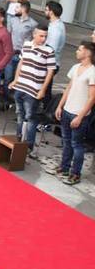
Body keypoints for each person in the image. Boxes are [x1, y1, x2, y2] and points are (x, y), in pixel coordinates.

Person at [51, 41, 95, 186]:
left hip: (79, 114)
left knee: (77, 145)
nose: (77, 51)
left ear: (88, 53)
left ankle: (75, 173)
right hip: (67, 110)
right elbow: (68, 89)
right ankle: (64, 167)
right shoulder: (75, 67)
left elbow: (92, 98)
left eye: (80, 49)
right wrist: (60, 106)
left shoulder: (92, 72)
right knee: (67, 141)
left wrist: (80, 116)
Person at [8, 24, 55, 154]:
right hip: (21, 86)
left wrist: (42, 90)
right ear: (34, 34)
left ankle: (28, 146)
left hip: (34, 90)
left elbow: (50, 72)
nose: (43, 39)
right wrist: (16, 80)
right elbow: (21, 63)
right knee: (19, 115)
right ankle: (18, 140)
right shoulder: (27, 45)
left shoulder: (49, 51)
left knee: (30, 118)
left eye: (45, 36)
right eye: (41, 36)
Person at [3, 0, 38, 105]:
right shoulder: (13, 20)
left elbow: (34, 39)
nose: (15, 9)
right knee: (8, 78)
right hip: (11, 53)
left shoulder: (33, 24)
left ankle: (17, 102)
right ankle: (6, 101)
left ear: (23, 9)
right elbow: (8, 35)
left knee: (21, 80)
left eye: (17, 7)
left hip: (23, 56)